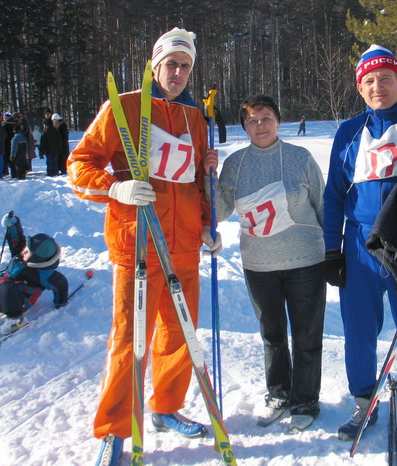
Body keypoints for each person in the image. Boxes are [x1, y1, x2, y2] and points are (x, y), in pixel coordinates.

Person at [67, 27, 222, 465]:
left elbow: (196, 182)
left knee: (179, 335)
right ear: (155, 66)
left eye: (185, 66)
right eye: (170, 64)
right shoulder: (125, 107)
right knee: (130, 339)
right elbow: (80, 163)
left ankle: (166, 407)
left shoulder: (195, 118)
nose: (177, 72)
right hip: (138, 243)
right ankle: (116, 430)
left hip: (186, 243)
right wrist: (115, 188)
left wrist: (208, 223)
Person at [323, 44, 397, 443]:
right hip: (360, 244)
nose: (377, 85)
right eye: (369, 80)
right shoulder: (349, 132)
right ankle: (364, 400)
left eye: (385, 78)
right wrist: (332, 250)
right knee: (359, 329)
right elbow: (333, 194)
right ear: (360, 88)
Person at [212, 94, 326, 432]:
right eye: (252, 119)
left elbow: (323, 204)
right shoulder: (235, 164)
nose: (260, 124)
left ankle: (305, 399)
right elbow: (217, 212)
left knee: (306, 333)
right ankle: (279, 393)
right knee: (272, 335)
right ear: (244, 126)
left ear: (278, 121)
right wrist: (206, 177)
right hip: (259, 265)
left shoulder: (300, 157)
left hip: (305, 260)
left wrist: (334, 250)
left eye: (266, 117)